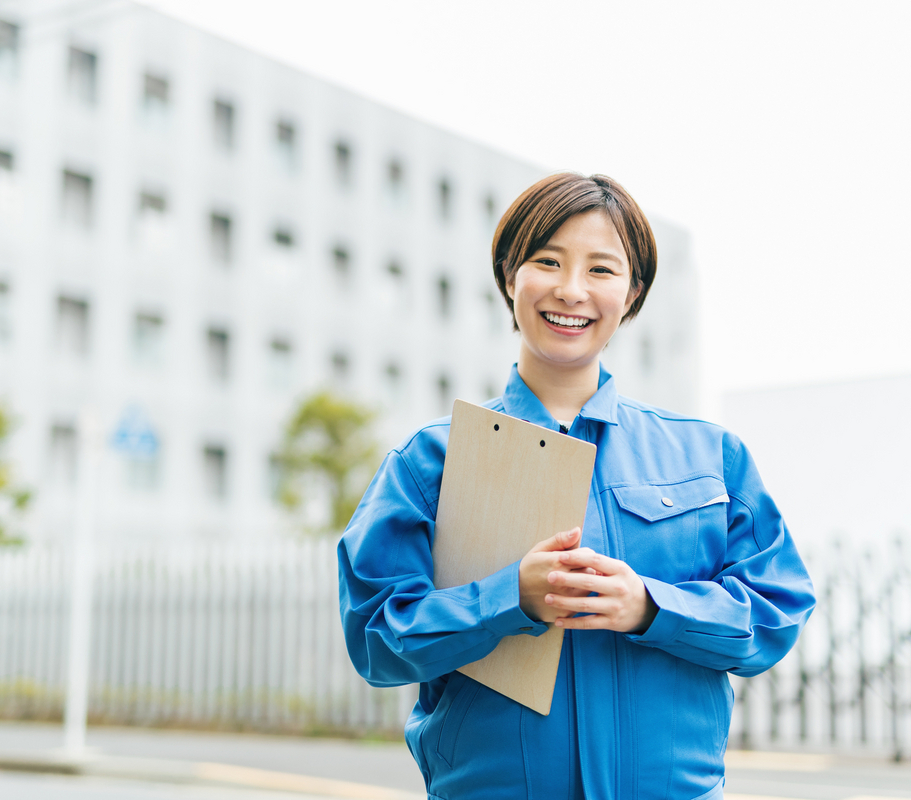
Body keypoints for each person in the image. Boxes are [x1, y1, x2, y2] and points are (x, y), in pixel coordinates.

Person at [338, 173, 815, 800]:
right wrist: (509, 598)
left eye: (601, 269)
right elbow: (377, 639)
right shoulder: (431, 461)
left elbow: (776, 612)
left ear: (632, 291)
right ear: (510, 275)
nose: (571, 289)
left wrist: (652, 607)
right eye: (547, 261)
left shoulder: (709, 455)